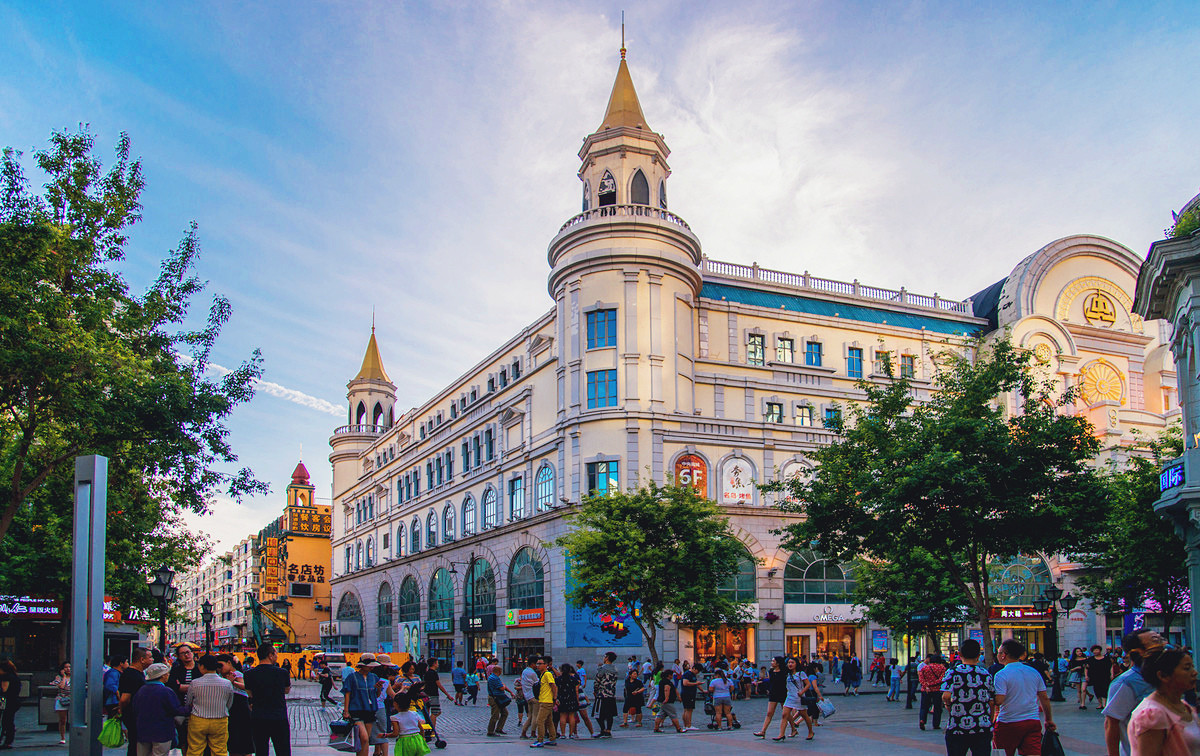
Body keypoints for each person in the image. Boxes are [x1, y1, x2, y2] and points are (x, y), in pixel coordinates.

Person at [1105, 630, 1167, 756]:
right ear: (1138, 652)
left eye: (1161, 639)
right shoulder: (1126, 682)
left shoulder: (1168, 676)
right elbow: (1111, 723)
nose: (1163, 644)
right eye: (1155, 640)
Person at [1128, 648, 1200, 756]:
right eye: (1187, 668)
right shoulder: (1152, 714)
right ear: (1163, 676)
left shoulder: (1184, 706)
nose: (1194, 673)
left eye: (1192, 667)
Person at [994, 639, 1056, 756]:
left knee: (1001, 753)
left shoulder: (1001, 675)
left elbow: (999, 700)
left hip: (1008, 722)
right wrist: (1048, 719)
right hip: (1032, 721)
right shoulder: (1033, 672)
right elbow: (1044, 698)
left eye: (998, 652)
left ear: (1003, 655)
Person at [941, 638, 995, 756]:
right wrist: (989, 721)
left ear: (960, 654)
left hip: (957, 726)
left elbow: (946, 696)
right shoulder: (985, 674)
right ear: (978, 655)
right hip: (982, 727)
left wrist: (949, 705)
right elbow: (991, 702)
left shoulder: (952, 672)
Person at [243, 641, 292, 756]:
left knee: (261, 750)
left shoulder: (249, 674)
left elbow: (250, 693)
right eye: (275, 653)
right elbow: (287, 690)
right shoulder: (282, 672)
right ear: (270, 655)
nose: (277, 656)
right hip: (278, 716)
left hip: (258, 717)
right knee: (283, 750)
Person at [132, 663, 187, 756]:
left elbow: (135, 708)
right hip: (162, 732)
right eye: (167, 674)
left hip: (143, 731)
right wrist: (190, 708)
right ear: (163, 676)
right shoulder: (166, 691)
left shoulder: (141, 690)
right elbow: (176, 710)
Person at [185, 654, 234, 756]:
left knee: (195, 749)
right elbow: (229, 703)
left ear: (202, 667)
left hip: (198, 719)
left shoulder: (195, 683)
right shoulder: (227, 684)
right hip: (220, 720)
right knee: (220, 750)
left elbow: (188, 702)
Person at [343, 655, 382, 756]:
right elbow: (347, 694)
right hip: (356, 709)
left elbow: (377, 695)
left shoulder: (374, 677)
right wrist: (346, 711)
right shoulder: (352, 677)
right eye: (369, 665)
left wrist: (378, 688)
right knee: (363, 737)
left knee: (365, 740)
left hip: (370, 710)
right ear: (362, 665)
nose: (371, 667)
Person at [216, 654, 253, 756]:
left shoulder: (237, 674)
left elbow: (245, 686)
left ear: (229, 663)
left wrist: (232, 682)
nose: (219, 669)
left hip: (241, 710)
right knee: (233, 743)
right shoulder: (219, 677)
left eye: (221, 665)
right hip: (227, 710)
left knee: (244, 742)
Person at [120, 647, 153, 756]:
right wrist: (121, 709)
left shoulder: (138, 673)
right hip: (133, 715)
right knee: (135, 743)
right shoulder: (131, 674)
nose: (152, 660)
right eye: (150, 657)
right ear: (142, 659)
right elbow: (125, 698)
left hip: (138, 714)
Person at [754, 656, 788, 738]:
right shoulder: (771, 671)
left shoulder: (784, 672)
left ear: (778, 663)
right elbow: (771, 682)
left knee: (786, 714)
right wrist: (768, 690)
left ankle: (793, 728)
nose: (771, 662)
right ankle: (763, 731)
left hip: (782, 693)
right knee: (769, 713)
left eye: (773, 661)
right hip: (773, 693)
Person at [388, 692, 430, 756]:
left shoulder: (395, 718)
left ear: (395, 704)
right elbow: (421, 729)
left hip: (404, 741)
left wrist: (385, 735)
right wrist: (423, 738)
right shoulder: (415, 714)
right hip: (417, 739)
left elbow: (395, 733)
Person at [530, 655, 558, 748]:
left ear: (545, 665)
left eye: (540, 664)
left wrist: (554, 698)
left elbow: (553, 686)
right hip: (544, 700)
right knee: (549, 721)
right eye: (537, 664)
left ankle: (540, 740)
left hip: (547, 701)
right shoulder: (542, 674)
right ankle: (552, 738)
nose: (538, 665)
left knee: (539, 721)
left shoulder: (547, 674)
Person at [593, 652, 619, 738]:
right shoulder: (615, 669)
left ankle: (603, 730)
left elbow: (597, 681)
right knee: (610, 714)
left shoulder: (602, 669)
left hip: (602, 694)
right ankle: (608, 730)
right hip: (611, 694)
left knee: (598, 713)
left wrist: (595, 691)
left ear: (607, 658)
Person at [919, 653, 947, 730]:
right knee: (937, 707)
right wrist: (932, 684)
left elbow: (921, 679)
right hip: (937, 690)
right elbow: (942, 679)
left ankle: (922, 720)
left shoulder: (925, 668)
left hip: (926, 690)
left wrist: (926, 685)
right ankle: (936, 724)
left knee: (924, 706)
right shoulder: (942, 668)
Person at [653, 665, 684, 734]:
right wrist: (666, 699)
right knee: (673, 715)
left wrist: (678, 696)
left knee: (659, 714)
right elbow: (666, 690)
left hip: (660, 700)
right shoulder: (667, 682)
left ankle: (656, 728)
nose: (672, 676)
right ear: (669, 675)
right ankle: (679, 728)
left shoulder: (662, 681)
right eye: (672, 675)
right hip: (667, 702)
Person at [422, 659, 452, 729]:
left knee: (427, 712)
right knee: (435, 713)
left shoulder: (426, 673)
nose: (438, 664)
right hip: (433, 694)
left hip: (426, 694)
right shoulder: (434, 673)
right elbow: (439, 685)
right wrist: (448, 695)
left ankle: (427, 727)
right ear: (434, 664)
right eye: (437, 663)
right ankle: (432, 729)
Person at [486, 664, 513, 737]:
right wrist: (503, 686)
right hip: (495, 698)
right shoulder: (494, 678)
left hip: (498, 697)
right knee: (495, 715)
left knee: (505, 713)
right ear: (499, 671)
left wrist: (510, 691)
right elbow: (501, 687)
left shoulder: (494, 677)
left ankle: (499, 728)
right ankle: (490, 731)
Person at [1088, 645, 1115, 711]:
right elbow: (1087, 668)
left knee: (1105, 689)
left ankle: (1104, 704)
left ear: (1100, 651)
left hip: (1105, 676)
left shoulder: (1106, 658)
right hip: (1095, 676)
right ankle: (1100, 704)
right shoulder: (1091, 659)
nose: (1095, 651)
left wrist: (1112, 674)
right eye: (1094, 650)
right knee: (1097, 690)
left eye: (1097, 650)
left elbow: (1110, 666)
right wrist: (1087, 675)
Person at [0, 659, 19, 750]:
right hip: (14, 701)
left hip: (8, 702)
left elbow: (4, 689)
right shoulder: (14, 676)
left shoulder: (6, 677)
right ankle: (8, 741)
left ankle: (7, 741)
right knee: (8, 721)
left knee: (6, 721)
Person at [709, 667, 736, 732]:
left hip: (717, 697)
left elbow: (710, 689)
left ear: (717, 675)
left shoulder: (714, 681)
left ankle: (719, 727)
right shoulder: (728, 680)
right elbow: (732, 688)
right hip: (726, 696)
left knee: (718, 713)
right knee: (728, 713)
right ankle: (730, 726)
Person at [519, 657, 540, 739]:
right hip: (534, 696)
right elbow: (537, 683)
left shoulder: (524, 671)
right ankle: (533, 732)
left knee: (530, 716)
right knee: (535, 716)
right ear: (532, 664)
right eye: (536, 664)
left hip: (527, 696)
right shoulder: (532, 673)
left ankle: (524, 732)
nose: (537, 666)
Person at [52, 661, 71, 744]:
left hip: (71, 698)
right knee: (62, 719)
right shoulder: (58, 677)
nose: (68, 669)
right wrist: (64, 676)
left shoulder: (75, 677)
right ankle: (62, 737)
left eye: (69, 667)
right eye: (66, 667)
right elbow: (61, 686)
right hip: (62, 698)